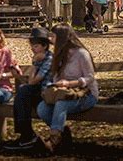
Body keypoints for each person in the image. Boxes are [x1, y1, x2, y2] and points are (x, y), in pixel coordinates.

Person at [37, 23, 98, 153]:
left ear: (62, 38)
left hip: (86, 94)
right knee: (42, 108)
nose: (50, 40)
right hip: (63, 93)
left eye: (53, 37)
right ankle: (64, 136)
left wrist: (71, 84)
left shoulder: (81, 54)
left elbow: (90, 77)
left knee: (61, 105)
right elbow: (56, 77)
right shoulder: (58, 54)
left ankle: (54, 141)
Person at [4, 27, 53, 150]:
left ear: (45, 46)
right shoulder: (40, 58)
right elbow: (31, 82)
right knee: (22, 92)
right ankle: (26, 134)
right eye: (32, 46)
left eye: (35, 46)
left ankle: (26, 135)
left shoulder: (49, 59)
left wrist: (35, 64)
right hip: (39, 91)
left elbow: (33, 81)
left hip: (48, 93)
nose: (32, 49)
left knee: (23, 91)